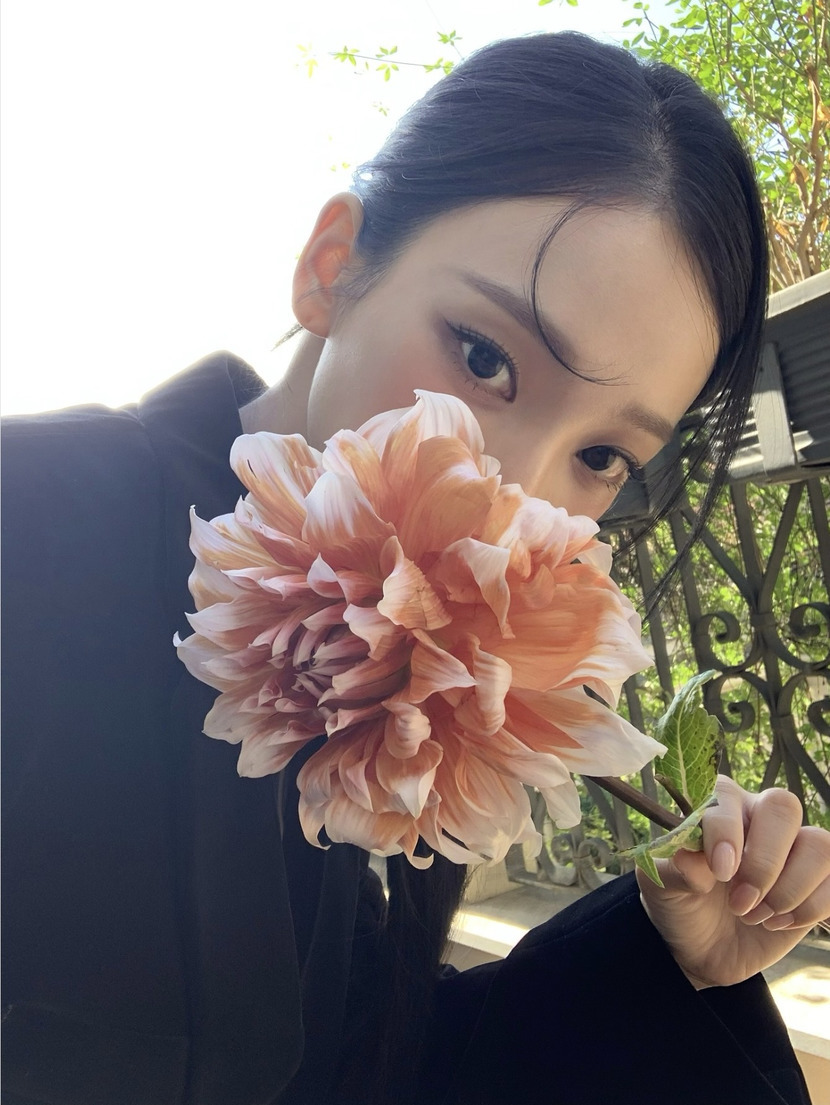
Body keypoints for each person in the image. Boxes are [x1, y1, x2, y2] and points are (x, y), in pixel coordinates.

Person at [2, 31, 828, 1105]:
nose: (512, 502)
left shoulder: (425, 682)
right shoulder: (30, 519)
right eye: (484, 358)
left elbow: (361, 1057)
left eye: (600, 457)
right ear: (331, 268)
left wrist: (662, 960)